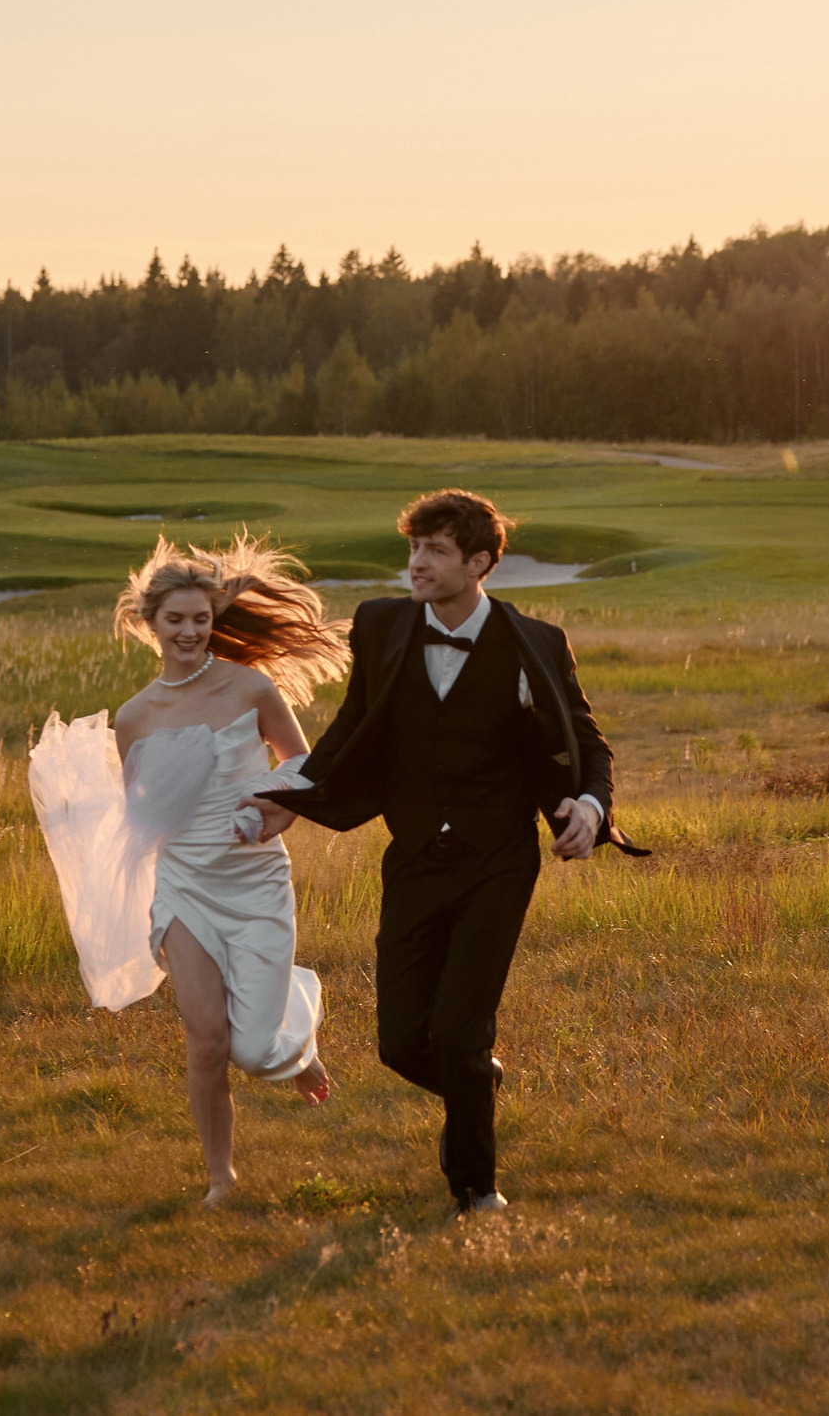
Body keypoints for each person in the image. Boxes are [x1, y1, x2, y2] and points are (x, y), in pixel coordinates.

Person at [248, 489, 640, 1216]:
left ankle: (475, 1188)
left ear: (481, 562)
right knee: (401, 1040)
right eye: (413, 548)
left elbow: (587, 741)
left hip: (497, 860)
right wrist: (288, 793)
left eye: (435, 550)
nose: (416, 564)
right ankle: (473, 1081)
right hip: (415, 857)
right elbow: (351, 728)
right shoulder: (382, 624)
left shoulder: (537, 643)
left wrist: (589, 805)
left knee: (461, 1026)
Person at [27, 534, 349, 1206]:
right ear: (150, 624)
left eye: (201, 618)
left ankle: (295, 1036)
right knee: (207, 1041)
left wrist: (271, 811)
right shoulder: (135, 716)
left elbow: (304, 768)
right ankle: (219, 1178)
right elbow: (143, 810)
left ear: (214, 620)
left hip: (254, 877)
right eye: (176, 619)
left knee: (256, 1050)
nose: (190, 631)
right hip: (183, 886)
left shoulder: (250, 687)